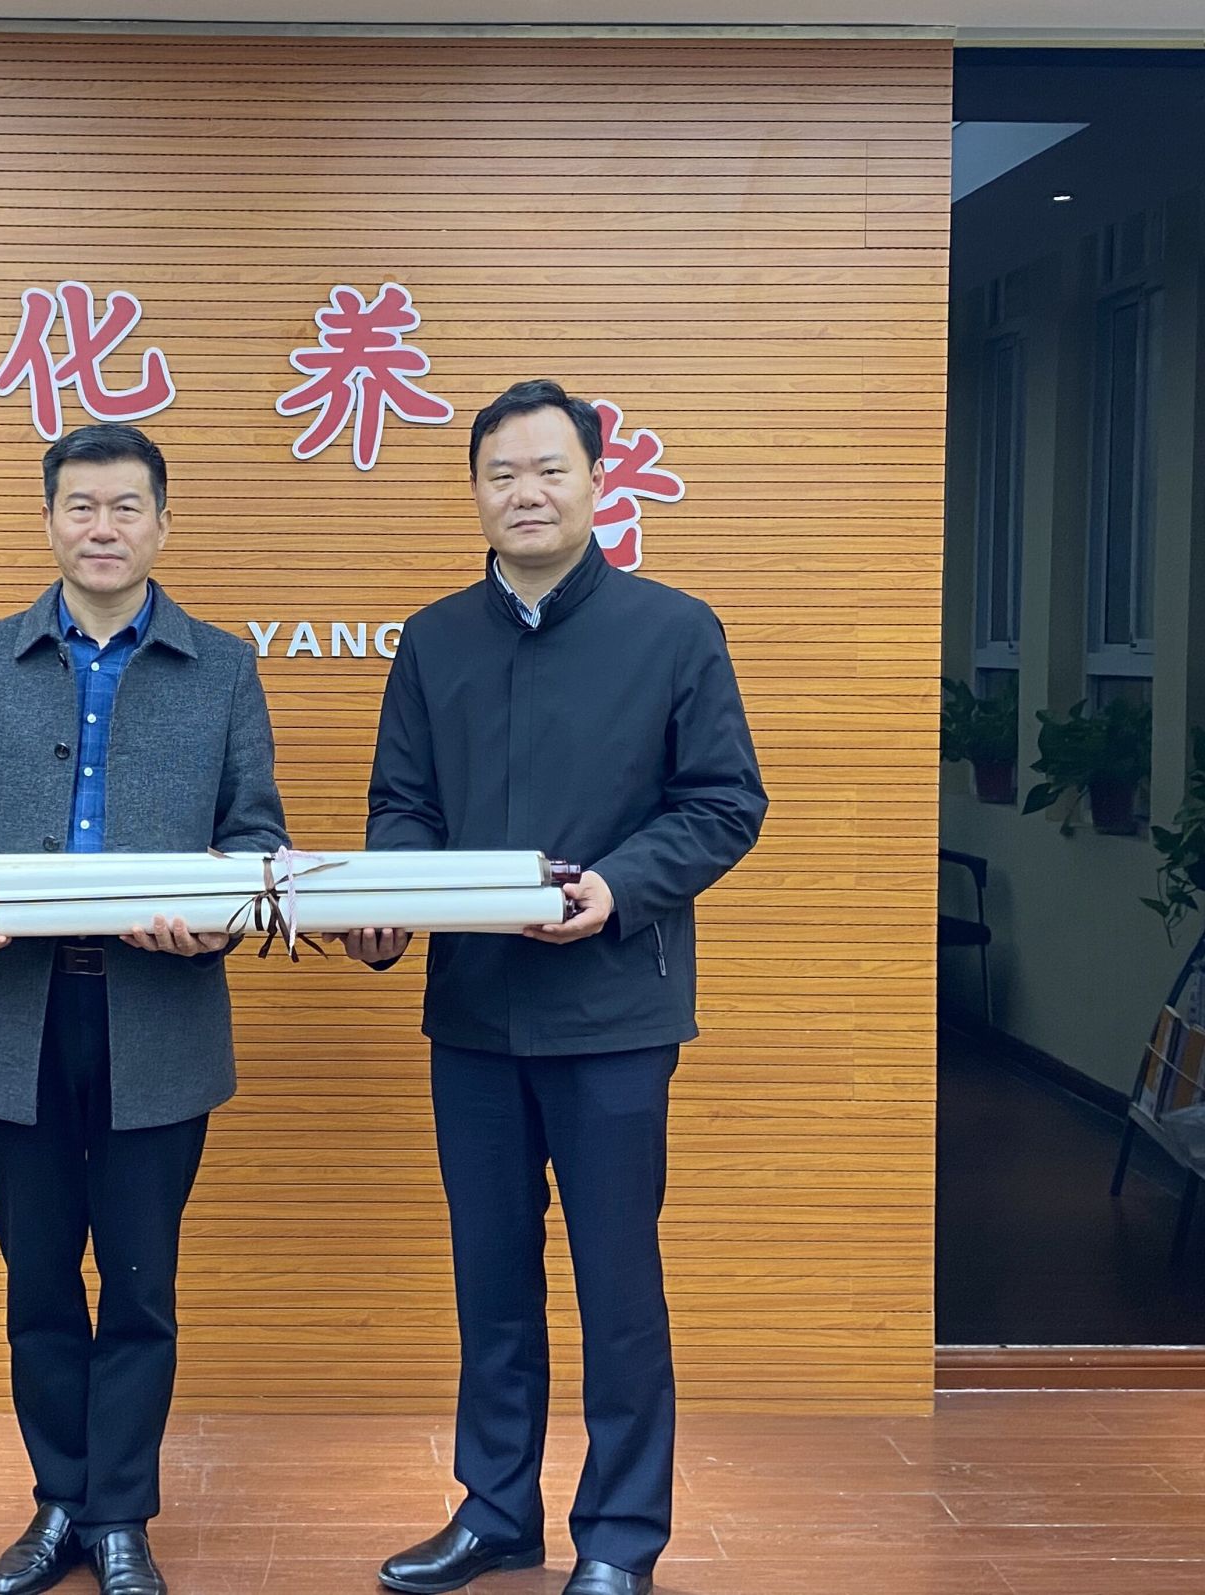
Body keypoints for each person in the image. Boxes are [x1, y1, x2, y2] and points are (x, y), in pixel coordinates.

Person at [344, 381, 767, 1595]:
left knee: (616, 1283)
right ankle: (494, 1511)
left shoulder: (672, 630)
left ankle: (620, 1536)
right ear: (474, 492)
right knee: (490, 1276)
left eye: (547, 470)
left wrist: (617, 886)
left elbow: (723, 802)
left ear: (594, 481)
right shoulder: (433, 638)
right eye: (500, 474)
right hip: (473, 1011)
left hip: (614, 1012)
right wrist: (385, 898)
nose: (524, 493)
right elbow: (403, 804)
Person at [0, 423, 289, 1595]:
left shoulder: (221, 667)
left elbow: (255, 833)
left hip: (155, 1016)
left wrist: (216, 918)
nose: (102, 526)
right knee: (36, 1278)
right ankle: (58, 1499)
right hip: (10, 1013)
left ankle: (120, 1514)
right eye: (80, 505)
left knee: (139, 1282)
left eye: (125, 506)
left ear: (161, 522)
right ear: (49, 520)